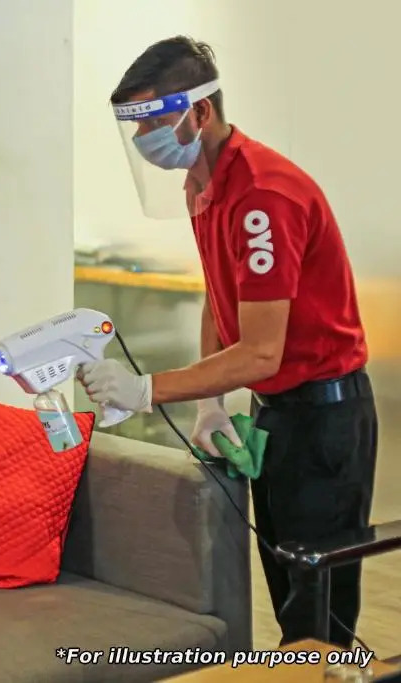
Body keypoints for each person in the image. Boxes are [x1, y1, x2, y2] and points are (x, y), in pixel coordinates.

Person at [80, 35, 377, 649]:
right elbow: (221, 299)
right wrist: (209, 402)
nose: (143, 140)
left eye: (152, 122)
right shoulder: (203, 183)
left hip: (325, 419)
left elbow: (263, 352)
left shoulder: (262, 195)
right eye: (134, 127)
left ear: (200, 111)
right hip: (279, 411)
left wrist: (147, 390)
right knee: (284, 577)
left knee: (317, 607)